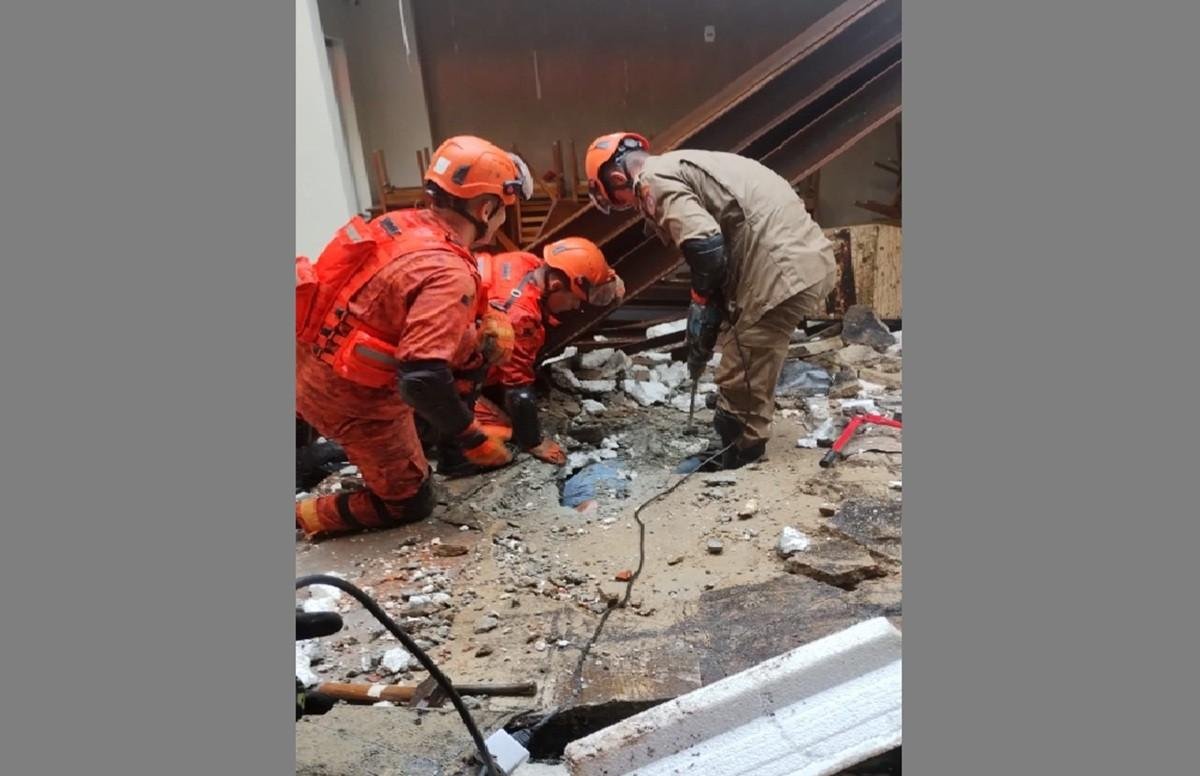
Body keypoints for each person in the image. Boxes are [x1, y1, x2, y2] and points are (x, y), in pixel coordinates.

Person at [294, 135, 532, 539]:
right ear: (487, 207)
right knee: (409, 503)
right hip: (352, 401)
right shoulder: (448, 273)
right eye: (501, 210)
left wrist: (484, 314)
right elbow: (421, 377)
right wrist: (470, 435)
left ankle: (417, 439)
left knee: (476, 343)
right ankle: (304, 515)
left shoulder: (400, 224)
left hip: (302, 363)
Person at [585, 132, 837, 470]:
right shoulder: (685, 163)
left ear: (617, 178)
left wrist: (701, 300)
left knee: (743, 355)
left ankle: (738, 447)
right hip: (802, 260)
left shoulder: (654, 180)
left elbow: (705, 247)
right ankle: (745, 418)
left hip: (780, 269)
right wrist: (714, 303)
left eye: (621, 202)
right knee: (753, 347)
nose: (630, 208)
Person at [458, 238, 625, 470]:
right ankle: (435, 434)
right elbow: (517, 386)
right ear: (556, 286)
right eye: (576, 298)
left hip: (438, 347)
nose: (576, 307)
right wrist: (533, 441)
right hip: (436, 376)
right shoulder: (520, 318)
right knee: (503, 432)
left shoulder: (527, 262)